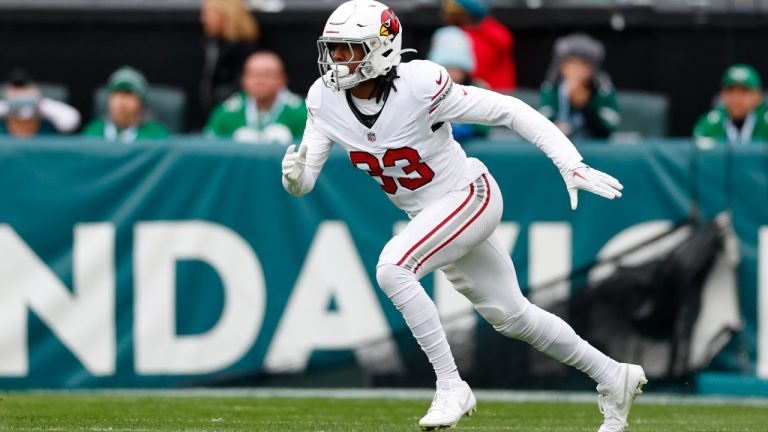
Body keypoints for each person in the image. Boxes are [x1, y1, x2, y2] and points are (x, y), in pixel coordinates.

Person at [281, 1, 646, 431]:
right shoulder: (324, 99)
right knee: (512, 315)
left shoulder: (419, 85)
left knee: (393, 269)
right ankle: (613, 376)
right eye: (334, 50)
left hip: (468, 195)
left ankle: (451, 385)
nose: (336, 60)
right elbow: (305, 181)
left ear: (381, 49)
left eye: (348, 50)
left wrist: (570, 162)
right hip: (431, 217)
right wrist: (295, 177)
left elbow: (510, 111)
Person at [205, 51, 306, 144]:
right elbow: (209, 147)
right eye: (253, 75)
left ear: (282, 80)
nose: (259, 81)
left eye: (267, 75)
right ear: (243, 80)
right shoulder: (227, 112)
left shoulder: (301, 113)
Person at [539, 33, 620, 139]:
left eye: (582, 63)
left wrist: (585, 106)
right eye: (570, 62)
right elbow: (542, 122)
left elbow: (609, 128)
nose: (576, 69)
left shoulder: (603, 91)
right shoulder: (551, 89)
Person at [199, 0, 260, 125]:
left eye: (209, 14)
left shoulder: (247, 50)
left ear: (226, 14)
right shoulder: (212, 44)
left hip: (234, 120)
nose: (203, 19)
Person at [427, 26, 489, 143]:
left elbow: (485, 125)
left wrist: (469, 128)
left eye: (457, 70)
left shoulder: (478, 88)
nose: (453, 75)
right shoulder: (426, 90)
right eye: (448, 69)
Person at [441, 0, 515, 92]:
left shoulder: (491, 32)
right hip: (475, 91)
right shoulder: (457, 33)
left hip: (498, 92)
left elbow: (504, 42)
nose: (447, 15)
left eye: (453, 12)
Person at [82, 67, 170, 143]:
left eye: (128, 94)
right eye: (117, 94)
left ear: (141, 102)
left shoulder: (156, 134)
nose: (122, 101)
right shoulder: (94, 131)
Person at [693, 64, 768, 145]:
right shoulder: (710, 124)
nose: (736, 99)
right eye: (730, 91)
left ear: (758, 95)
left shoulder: (765, 122)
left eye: (744, 91)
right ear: (722, 94)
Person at [0, 69, 80, 137]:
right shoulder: (2, 129)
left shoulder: (47, 128)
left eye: (27, 123)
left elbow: (70, 123)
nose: (23, 128)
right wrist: (11, 103)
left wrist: (39, 102)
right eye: (18, 123)